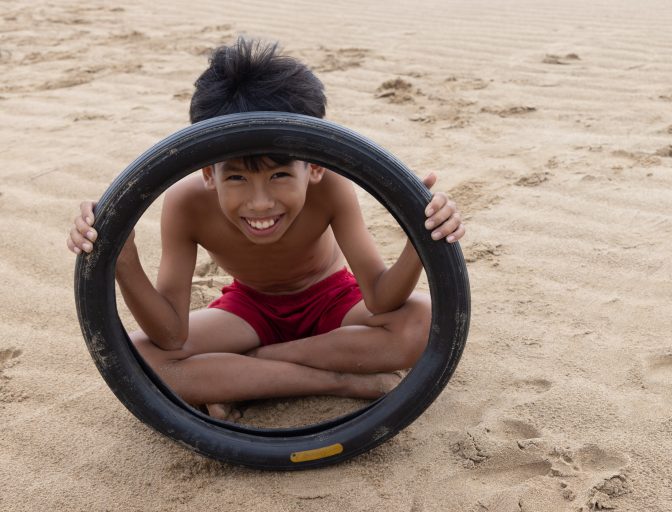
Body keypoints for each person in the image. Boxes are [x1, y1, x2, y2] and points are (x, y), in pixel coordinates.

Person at [67, 37, 465, 420]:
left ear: (314, 165)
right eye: (236, 177)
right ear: (207, 171)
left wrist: (421, 236)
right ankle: (341, 382)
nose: (260, 202)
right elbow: (171, 336)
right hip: (249, 310)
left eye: (278, 174)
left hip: (334, 302)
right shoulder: (186, 201)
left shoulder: (331, 187)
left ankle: (241, 375)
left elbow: (379, 298)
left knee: (422, 320)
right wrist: (123, 260)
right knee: (137, 359)